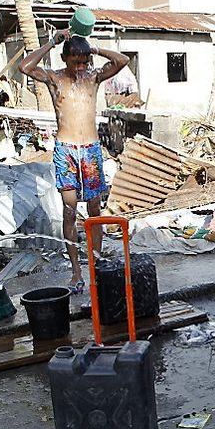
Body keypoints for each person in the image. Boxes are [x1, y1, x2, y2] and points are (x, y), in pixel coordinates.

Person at [19, 30, 129, 291]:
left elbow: (122, 60)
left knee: (94, 210)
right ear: (65, 59)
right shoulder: (55, 78)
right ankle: (76, 270)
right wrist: (51, 42)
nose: (80, 67)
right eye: (75, 62)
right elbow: (25, 66)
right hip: (66, 149)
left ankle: (96, 264)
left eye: (83, 62)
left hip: (90, 150)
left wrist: (95, 50)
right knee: (69, 210)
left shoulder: (93, 78)